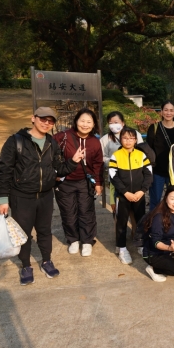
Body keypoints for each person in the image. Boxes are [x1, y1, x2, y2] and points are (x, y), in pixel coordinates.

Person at [0, 107, 84, 285]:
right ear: (33, 118)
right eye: (43, 119)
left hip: (45, 196)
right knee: (23, 234)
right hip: (21, 196)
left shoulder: (52, 143)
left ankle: (46, 261)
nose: (46, 123)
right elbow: (4, 170)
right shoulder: (16, 141)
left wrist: (73, 161)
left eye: (51, 121)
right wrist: (3, 198)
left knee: (44, 231)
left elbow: (59, 169)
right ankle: (26, 265)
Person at [53, 109, 103, 257]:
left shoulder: (95, 142)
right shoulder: (63, 137)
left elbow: (98, 164)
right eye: (82, 121)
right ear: (76, 121)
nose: (85, 125)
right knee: (68, 213)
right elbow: (49, 155)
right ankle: (73, 239)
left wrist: (98, 183)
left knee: (86, 212)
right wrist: (53, 174)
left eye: (89, 122)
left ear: (93, 124)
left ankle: (87, 241)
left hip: (85, 182)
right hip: (64, 182)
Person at [109, 127, 153, 263]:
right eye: (125, 138)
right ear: (120, 139)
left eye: (131, 138)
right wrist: (125, 192)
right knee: (121, 223)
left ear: (135, 140)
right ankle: (122, 248)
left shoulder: (141, 155)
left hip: (139, 196)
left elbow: (149, 174)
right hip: (123, 196)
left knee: (140, 222)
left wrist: (142, 191)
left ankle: (141, 245)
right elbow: (113, 176)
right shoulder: (116, 156)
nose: (128, 141)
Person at [99, 111, 144, 214]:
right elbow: (101, 157)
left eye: (116, 122)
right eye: (110, 123)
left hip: (135, 177)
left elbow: (142, 152)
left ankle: (135, 224)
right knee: (118, 210)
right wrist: (114, 161)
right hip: (116, 179)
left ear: (123, 123)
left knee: (136, 211)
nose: (113, 125)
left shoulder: (135, 134)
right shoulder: (105, 139)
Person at [146, 100, 174, 210]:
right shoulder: (154, 128)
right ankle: (154, 220)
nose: (168, 113)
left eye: (171, 110)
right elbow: (148, 149)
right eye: (166, 110)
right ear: (161, 111)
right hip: (157, 171)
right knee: (155, 201)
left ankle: (172, 220)